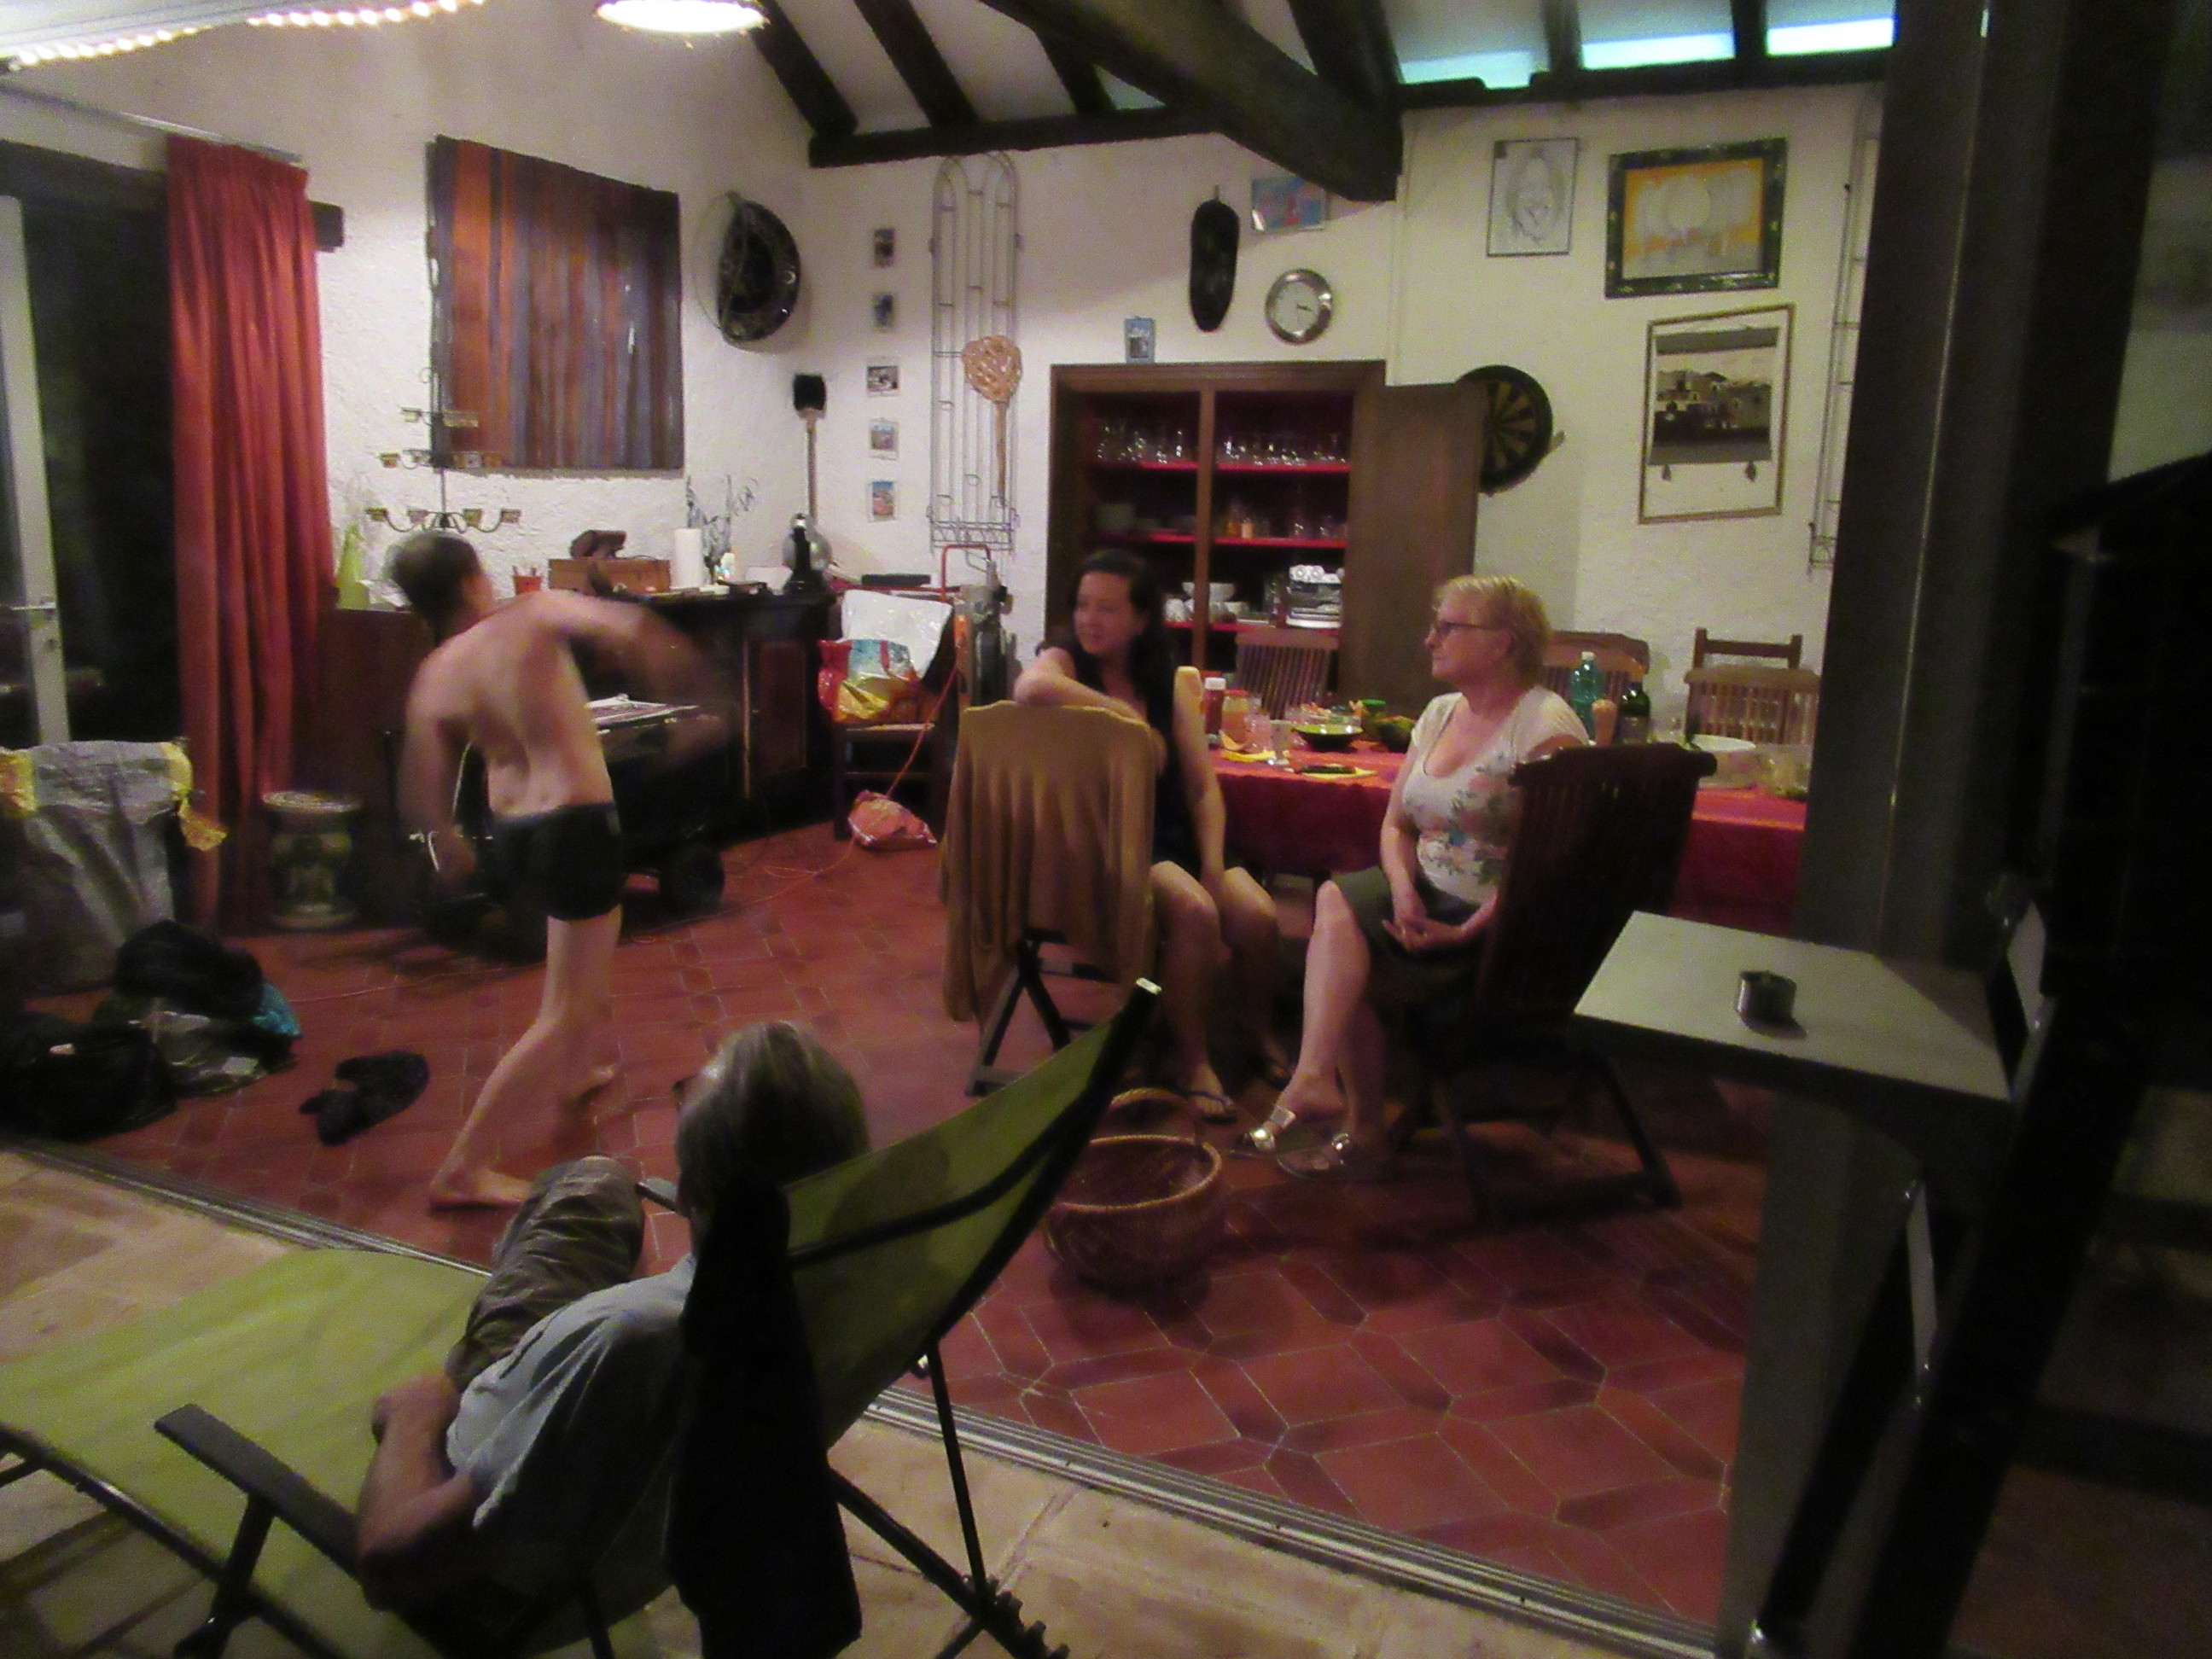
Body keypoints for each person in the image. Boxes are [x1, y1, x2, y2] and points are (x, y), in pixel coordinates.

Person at [353, 1022, 871, 1625]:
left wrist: (418, 1413)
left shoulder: (631, 1340)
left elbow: (392, 1565)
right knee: (595, 1183)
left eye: (685, 1096)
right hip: (631, 1424)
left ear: (691, 1193)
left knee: (576, 1193)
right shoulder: (850, 1292)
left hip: (492, 1561)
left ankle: (469, 1368)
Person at [391, 533, 728, 1208]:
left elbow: (422, 782)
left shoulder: (437, 672)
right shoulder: (532, 616)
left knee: (584, 950)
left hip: (513, 834)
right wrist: (691, 706)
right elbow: (635, 627)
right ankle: (464, 1167)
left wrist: (446, 842)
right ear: (472, 580)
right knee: (564, 1009)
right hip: (574, 825)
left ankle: (579, 1072)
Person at [1240, 574, 1587, 1179]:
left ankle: (1357, 1125)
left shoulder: (1544, 728)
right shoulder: (1440, 713)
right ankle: (1319, 1082)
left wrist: (1469, 928)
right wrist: (1401, 889)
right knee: (1339, 903)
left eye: (1448, 627)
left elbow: (1552, 862)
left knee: (1342, 945)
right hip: (1425, 897)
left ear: (1503, 642)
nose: (1431, 639)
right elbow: (1397, 824)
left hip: (1497, 930)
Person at [1012, 550, 1284, 1117]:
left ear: (1140, 620)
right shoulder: (1065, 661)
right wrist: (1123, 715)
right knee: (1195, 912)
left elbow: (1203, 789)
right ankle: (1192, 1059)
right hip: (1114, 843)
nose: (1089, 619)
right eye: (1083, 605)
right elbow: (1029, 688)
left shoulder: (1164, 680)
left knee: (1257, 917)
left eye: (1107, 609)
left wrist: (1213, 862)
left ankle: (1257, 1034)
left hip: (1175, 833)